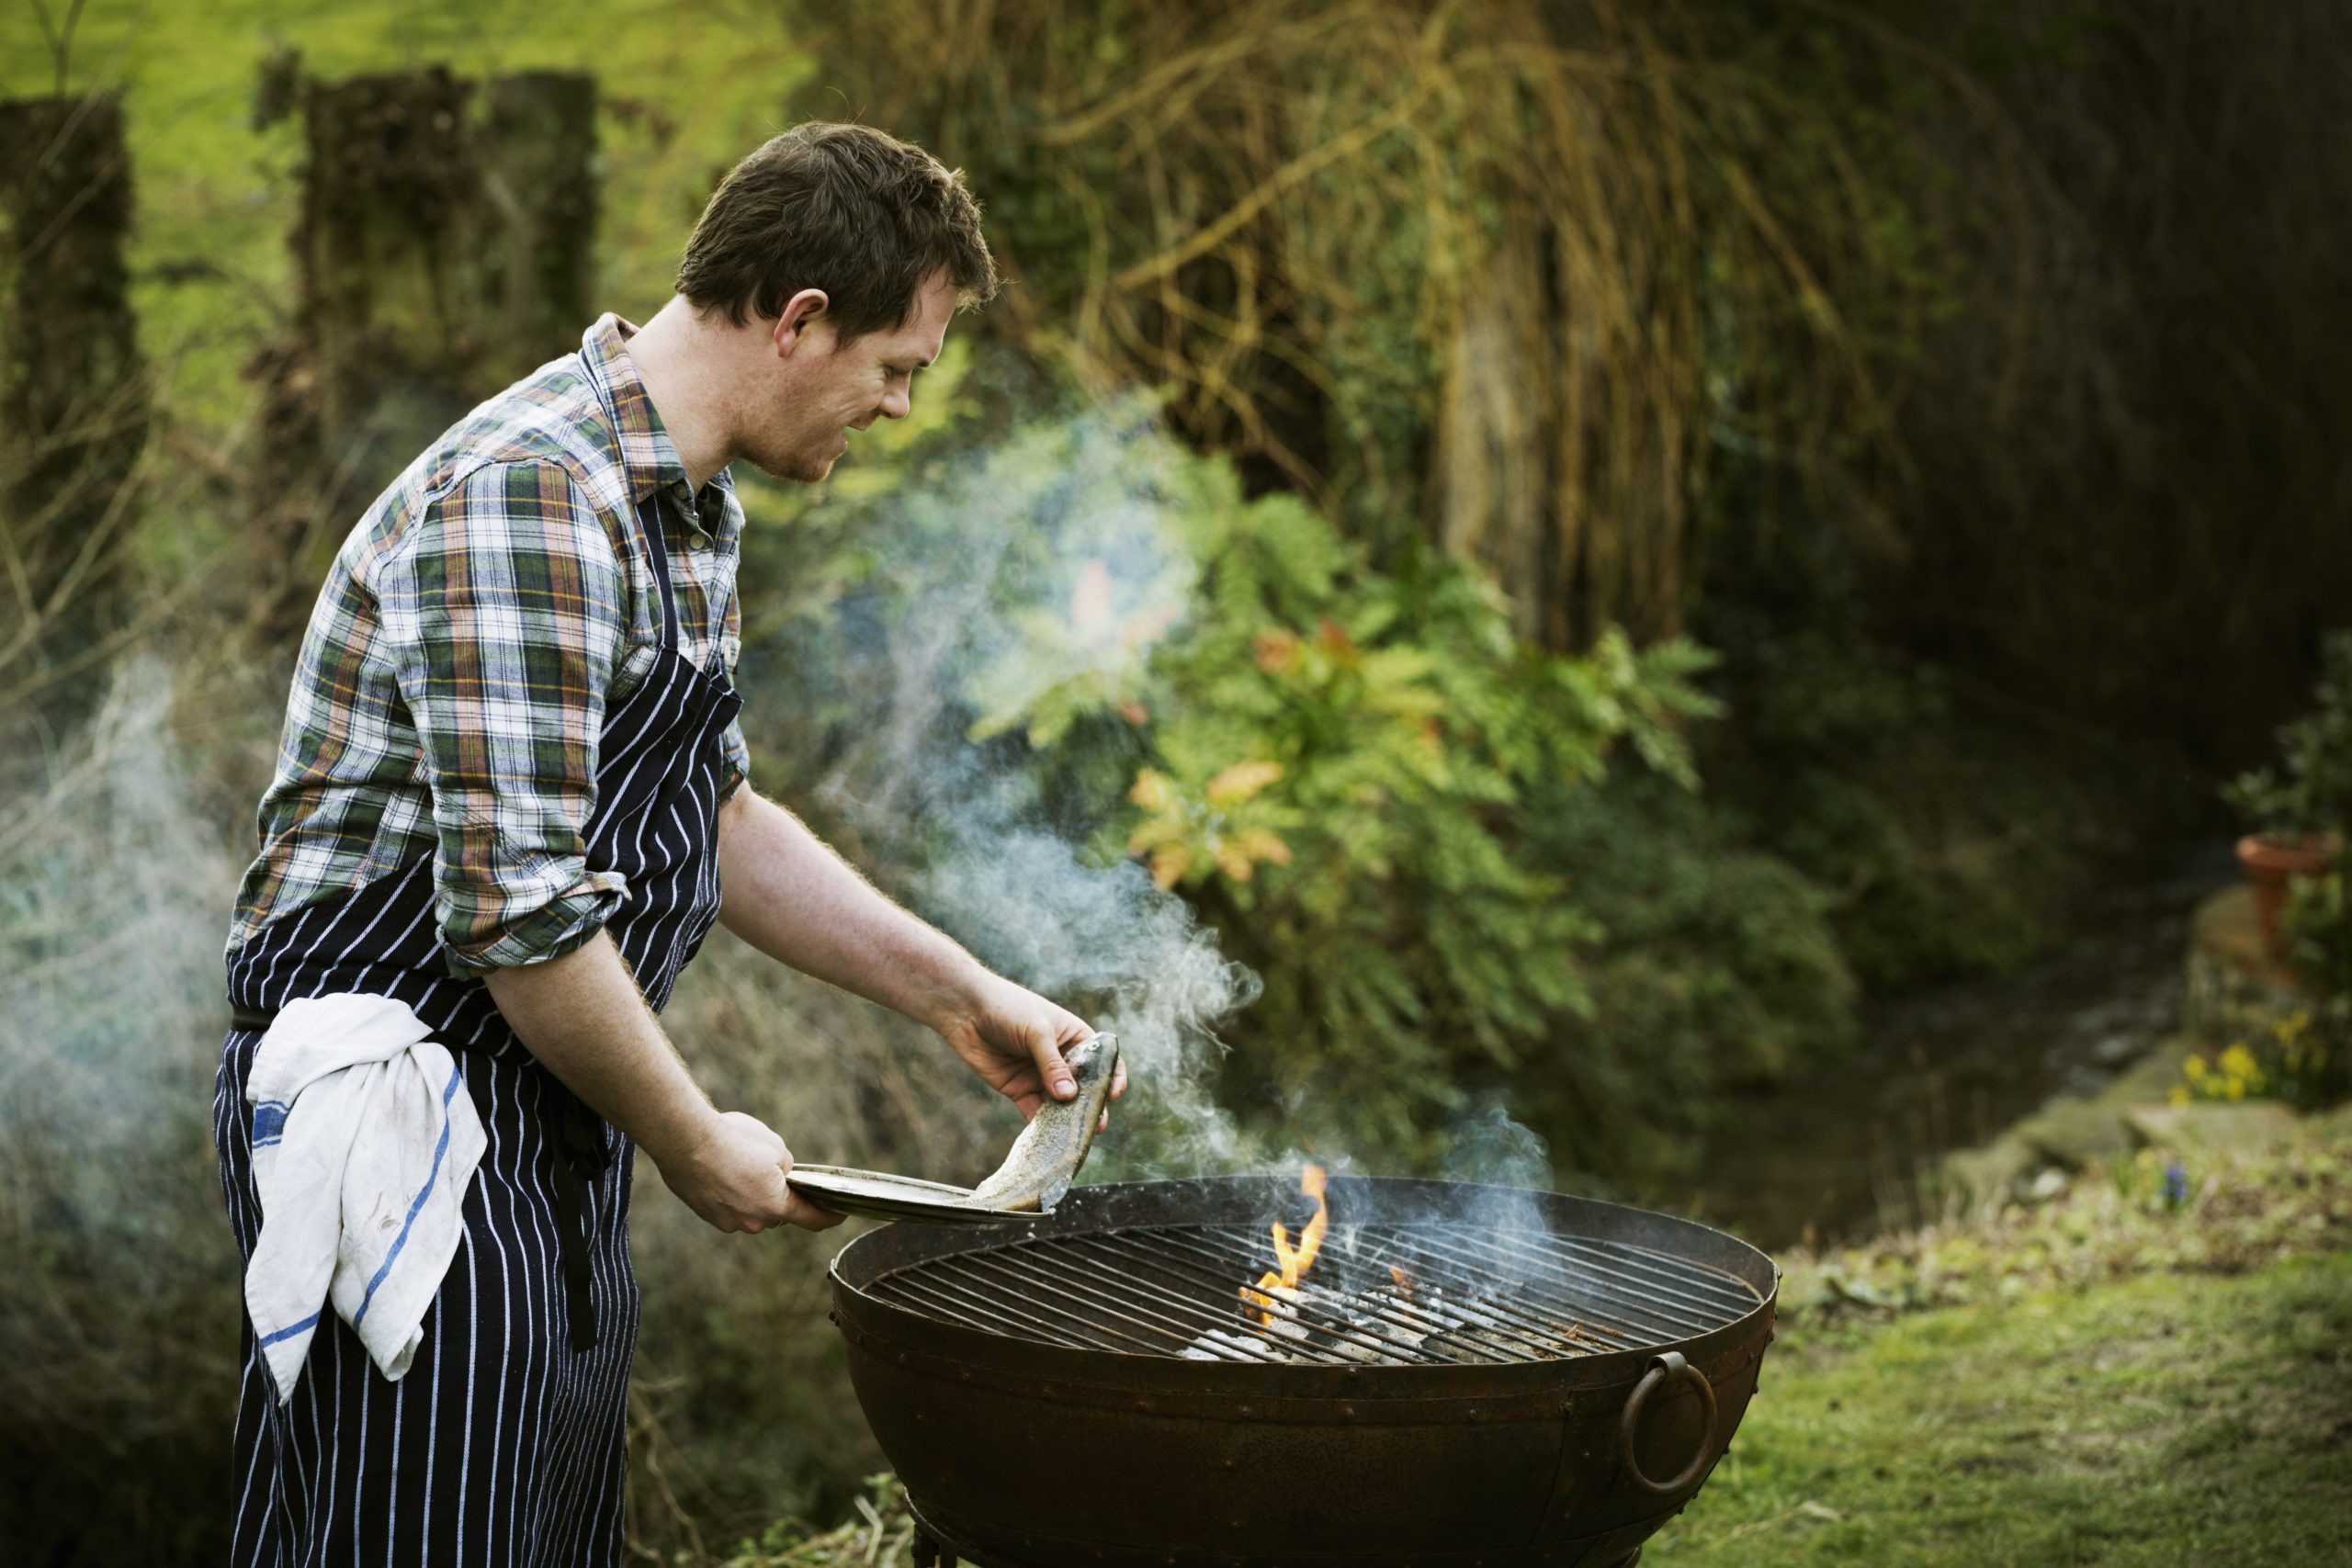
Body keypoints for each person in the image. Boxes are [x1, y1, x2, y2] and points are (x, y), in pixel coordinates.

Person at [212, 121, 1125, 1565]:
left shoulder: (688, 509)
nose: (896, 409)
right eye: (897, 371)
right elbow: (519, 918)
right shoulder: (533, 503)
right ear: (800, 320)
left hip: (548, 1102)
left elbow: (718, 813)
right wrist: (696, 1142)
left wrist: (964, 996)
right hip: (398, 1110)